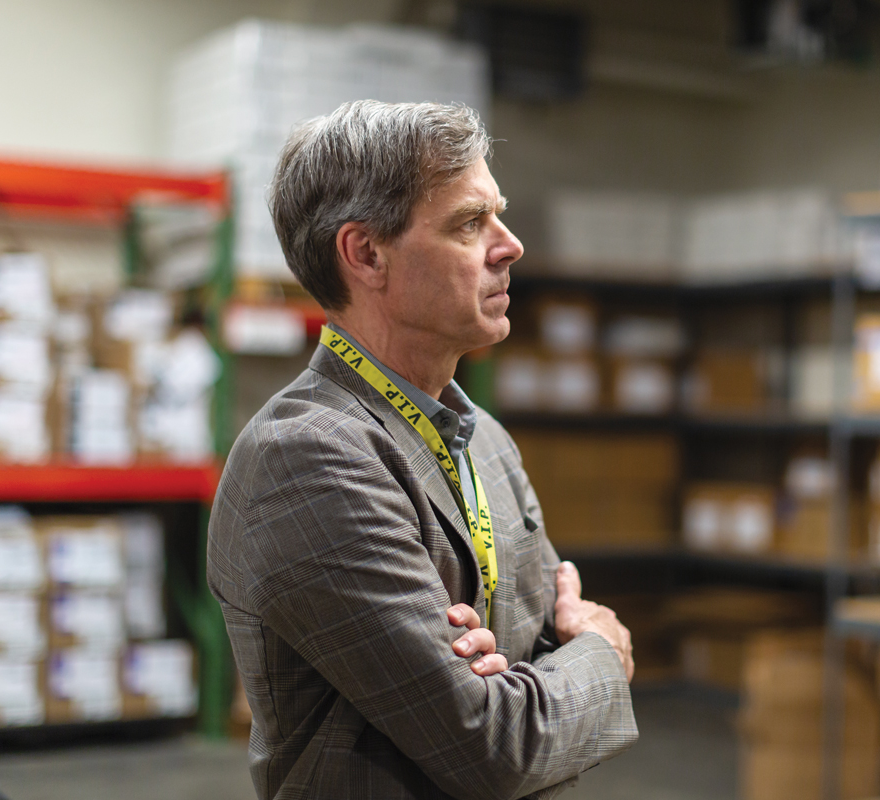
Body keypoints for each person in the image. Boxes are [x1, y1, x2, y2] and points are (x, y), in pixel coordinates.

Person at [207, 100, 638, 800]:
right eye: (470, 223)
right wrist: (602, 655)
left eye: (497, 214)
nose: (510, 244)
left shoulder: (485, 441)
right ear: (366, 254)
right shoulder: (307, 458)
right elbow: (493, 745)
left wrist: (528, 681)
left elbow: (533, 659)